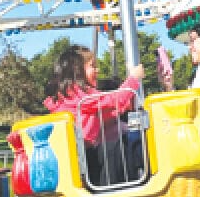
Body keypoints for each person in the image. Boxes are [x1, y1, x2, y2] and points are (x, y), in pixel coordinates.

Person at [44, 45, 145, 188]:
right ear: (77, 70)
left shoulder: (75, 96)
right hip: (82, 153)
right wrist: (133, 79)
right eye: (92, 66)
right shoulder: (76, 93)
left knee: (121, 143)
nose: (97, 70)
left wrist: (124, 106)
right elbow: (112, 100)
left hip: (85, 150)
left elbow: (104, 113)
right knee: (114, 148)